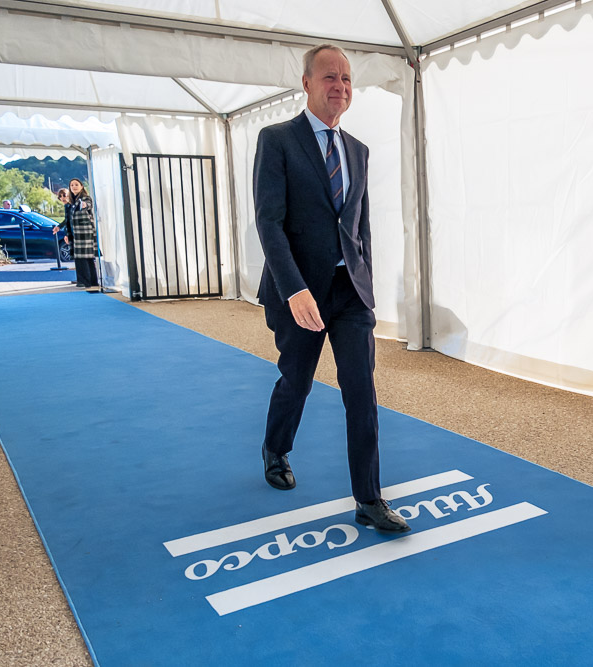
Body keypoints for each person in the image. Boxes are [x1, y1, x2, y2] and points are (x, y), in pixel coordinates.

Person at [253, 44, 409, 533]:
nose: (339, 85)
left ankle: (369, 499)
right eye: (329, 77)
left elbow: (360, 226)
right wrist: (294, 289)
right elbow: (269, 223)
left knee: (361, 394)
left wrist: (366, 284)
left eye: (345, 78)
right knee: (296, 381)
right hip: (298, 291)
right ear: (306, 83)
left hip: (349, 295)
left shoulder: (358, 151)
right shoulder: (277, 139)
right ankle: (275, 448)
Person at [67, 179, 99, 289]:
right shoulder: (71, 202)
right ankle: (91, 281)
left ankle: (86, 281)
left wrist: (84, 205)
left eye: (76, 184)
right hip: (76, 233)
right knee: (84, 258)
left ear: (81, 186)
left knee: (84, 258)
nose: (74, 187)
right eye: (72, 185)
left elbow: (88, 205)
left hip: (85, 232)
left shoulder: (85, 198)